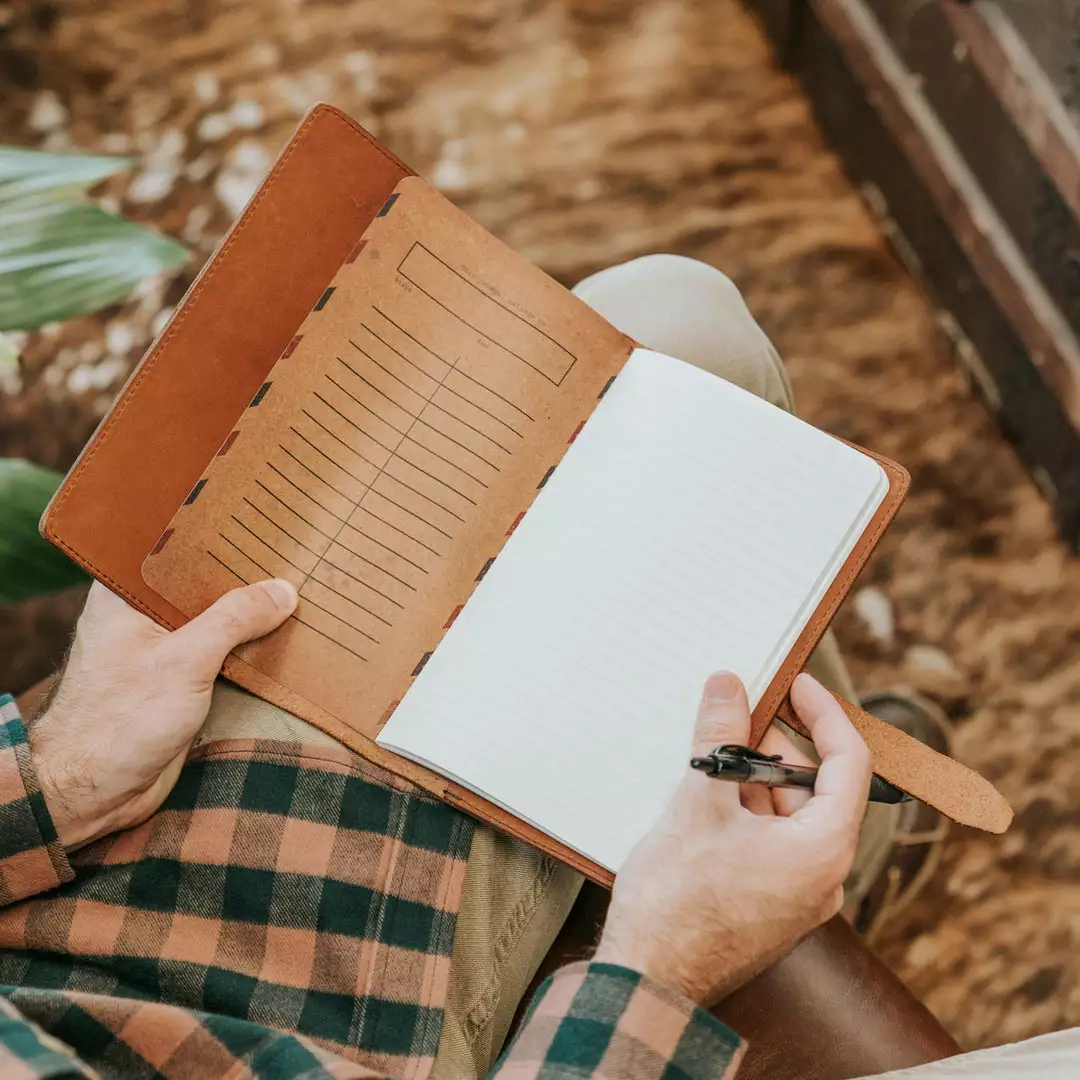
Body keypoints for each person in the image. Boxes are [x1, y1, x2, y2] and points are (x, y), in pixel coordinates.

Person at [0, 256, 1070, 1080]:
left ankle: (831, 836)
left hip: (79, 910)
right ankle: (792, 856)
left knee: (674, 325)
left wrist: (54, 777)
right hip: (364, 1043)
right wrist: (658, 973)